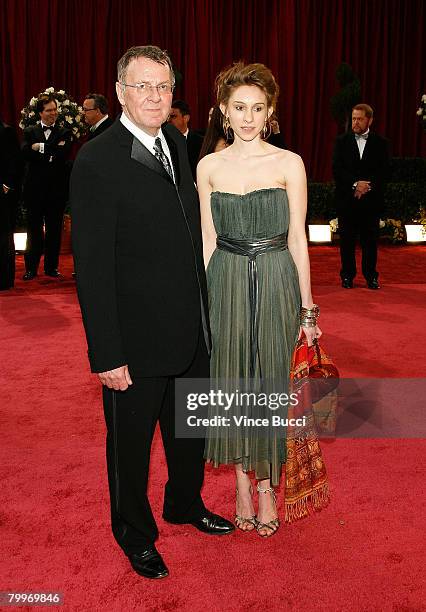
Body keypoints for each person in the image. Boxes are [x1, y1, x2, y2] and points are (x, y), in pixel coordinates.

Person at [70, 45, 233, 581]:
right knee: (131, 451)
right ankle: (134, 536)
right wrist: (107, 352)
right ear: (119, 93)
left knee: (190, 436)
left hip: (189, 332)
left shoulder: (178, 144)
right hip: (134, 344)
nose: (154, 96)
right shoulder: (96, 160)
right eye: (141, 86)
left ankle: (184, 505)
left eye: (162, 87)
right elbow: (91, 268)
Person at [198, 62, 329, 538]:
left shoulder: (287, 162)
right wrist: (205, 305)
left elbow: (298, 239)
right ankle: (239, 484)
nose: (247, 117)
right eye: (239, 108)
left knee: (271, 379)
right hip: (226, 278)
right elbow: (208, 241)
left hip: (276, 275)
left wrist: (308, 309)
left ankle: (269, 486)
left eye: (257, 108)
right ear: (223, 111)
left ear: (270, 111)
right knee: (232, 379)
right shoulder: (208, 166)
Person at [333, 103, 390, 289]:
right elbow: (337, 169)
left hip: (371, 202)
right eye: (354, 118)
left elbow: (384, 171)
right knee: (347, 241)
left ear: (370, 120)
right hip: (347, 200)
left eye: (360, 119)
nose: (355, 122)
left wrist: (367, 186)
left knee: (370, 241)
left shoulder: (381, 143)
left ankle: (371, 276)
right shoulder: (341, 141)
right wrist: (356, 184)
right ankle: (347, 276)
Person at [21, 95, 72, 280]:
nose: (53, 113)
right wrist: (50, 151)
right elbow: (25, 152)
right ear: (40, 113)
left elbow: (62, 154)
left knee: (54, 230)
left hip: (56, 191)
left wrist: (40, 147)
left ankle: (51, 268)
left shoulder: (64, 132)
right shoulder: (29, 131)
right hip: (35, 190)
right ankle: (31, 268)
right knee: (33, 230)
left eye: (55, 109)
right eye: (49, 110)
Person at [0, 118, 22, 290]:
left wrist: (6, 185)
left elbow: (15, 161)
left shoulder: (7, 131)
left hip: (2, 195)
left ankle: (4, 279)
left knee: (3, 237)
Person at [168, 99, 203, 179]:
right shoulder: (162, 141)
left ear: (186, 118)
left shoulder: (200, 142)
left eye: (173, 116)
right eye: (168, 117)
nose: (169, 120)